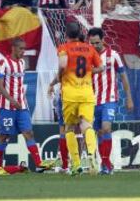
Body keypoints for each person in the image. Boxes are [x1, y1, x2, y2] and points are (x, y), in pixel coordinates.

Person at [0, 37, 53, 175]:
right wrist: (11, 99)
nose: (23, 51)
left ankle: (39, 164)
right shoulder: (3, 63)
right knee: (4, 135)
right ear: (13, 48)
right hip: (7, 107)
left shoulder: (21, 63)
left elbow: (18, 84)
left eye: (24, 49)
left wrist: (19, 100)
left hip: (21, 106)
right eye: (21, 48)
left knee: (28, 132)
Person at [56, 22, 104, 176]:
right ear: (80, 34)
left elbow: (63, 65)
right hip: (86, 93)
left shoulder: (64, 47)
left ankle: (76, 164)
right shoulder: (90, 48)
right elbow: (102, 67)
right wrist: (90, 71)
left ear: (67, 35)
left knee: (69, 128)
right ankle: (91, 155)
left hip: (69, 94)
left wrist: (58, 76)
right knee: (86, 125)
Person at [88, 28, 134, 175]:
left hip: (109, 99)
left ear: (103, 40)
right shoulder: (87, 56)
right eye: (92, 43)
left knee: (106, 128)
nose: (94, 45)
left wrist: (129, 98)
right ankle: (106, 165)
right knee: (100, 133)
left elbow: (123, 77)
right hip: (92, 101)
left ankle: (106, 164)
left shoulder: (113, 55)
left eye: (97, 42)